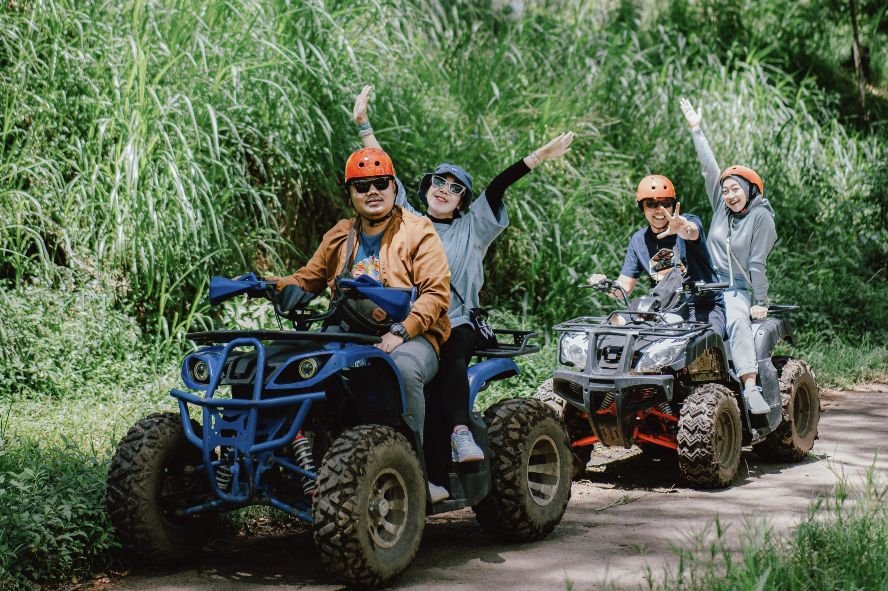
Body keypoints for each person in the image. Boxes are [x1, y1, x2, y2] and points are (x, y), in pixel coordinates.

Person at [353, 85, 573, 497]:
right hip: (405, 324)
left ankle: (460, 434)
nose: (444, 189)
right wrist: (363, 123)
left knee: (452, 355)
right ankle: (423, 479)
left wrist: (538, 157)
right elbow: (383, 174)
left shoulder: (474, 229)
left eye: (455, 188)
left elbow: (498, 186)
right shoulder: (407, 220)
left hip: (454, 321)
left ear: (462, 201)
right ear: (427, 187)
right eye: (440, 181)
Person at [273, 147, 453, 493]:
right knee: (285, 363)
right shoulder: (341, 234)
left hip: (413, 336)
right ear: (351, 193)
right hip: (347, 334)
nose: (372, 191)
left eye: (380, 183)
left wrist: (402, 330)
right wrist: (268, 285)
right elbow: (307, 279)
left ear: (393, 187)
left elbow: (435, 295)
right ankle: (302, 457)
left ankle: (413, 469)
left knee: (400, 369)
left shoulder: (418, 231)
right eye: (362, 185)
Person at [679, 97, 777, 414]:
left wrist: (760, 301)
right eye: (726, 189)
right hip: (706, 283)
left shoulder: (761, 218)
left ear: (750, 189)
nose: (730, 194)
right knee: (671, 318)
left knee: (737, 321)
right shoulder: (721, 208)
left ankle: (750, 388)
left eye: (736, 188)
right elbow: (710, 169)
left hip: (736, 289)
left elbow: (756, 263)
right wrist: (696, 129)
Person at [588, 174, 727, 338]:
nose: (659, 210)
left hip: (703, 305)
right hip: (663, 308)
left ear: (673, 205)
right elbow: (624, 288)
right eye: (651, 204)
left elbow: (691, 231)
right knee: (614, 328)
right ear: (642, 207)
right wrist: (605, 285)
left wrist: (682, 228)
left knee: (705, 345)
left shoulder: (687, 221)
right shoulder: (639, 240)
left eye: (665, 203)